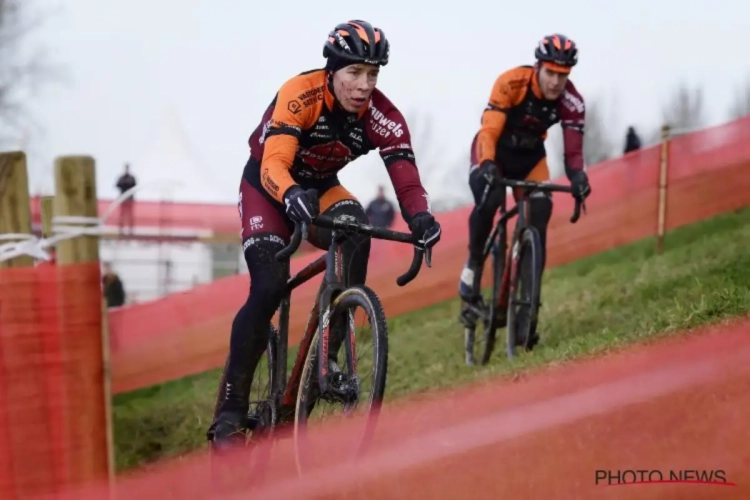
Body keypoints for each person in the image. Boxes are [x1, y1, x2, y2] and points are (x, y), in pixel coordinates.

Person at [208, 19, 442, 447]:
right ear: (331, 71)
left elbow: (406, 179)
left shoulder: (383, 116)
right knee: (268, 287)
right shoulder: (302, 93)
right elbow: (274, 163)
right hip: (267, 186)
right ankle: (230, 412)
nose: (363, 84)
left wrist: (421, 218)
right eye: (354, 72)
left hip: (319, 188)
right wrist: (291, 193)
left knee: (356, 231)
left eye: (372, 74)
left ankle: (327, 361)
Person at [457, 33, 592, 349]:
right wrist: (488, 163)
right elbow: (489, 130)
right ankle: (474, 264)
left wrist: (579, 178)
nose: (557, 82)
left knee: (540, 211)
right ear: (538, 67)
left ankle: (526, 316)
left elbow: (573, 154)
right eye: (551, 73)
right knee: (490, 200)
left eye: (563, 75)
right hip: (493, 154)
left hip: (530, 159)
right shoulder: (512, 82)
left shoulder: (572, 101)